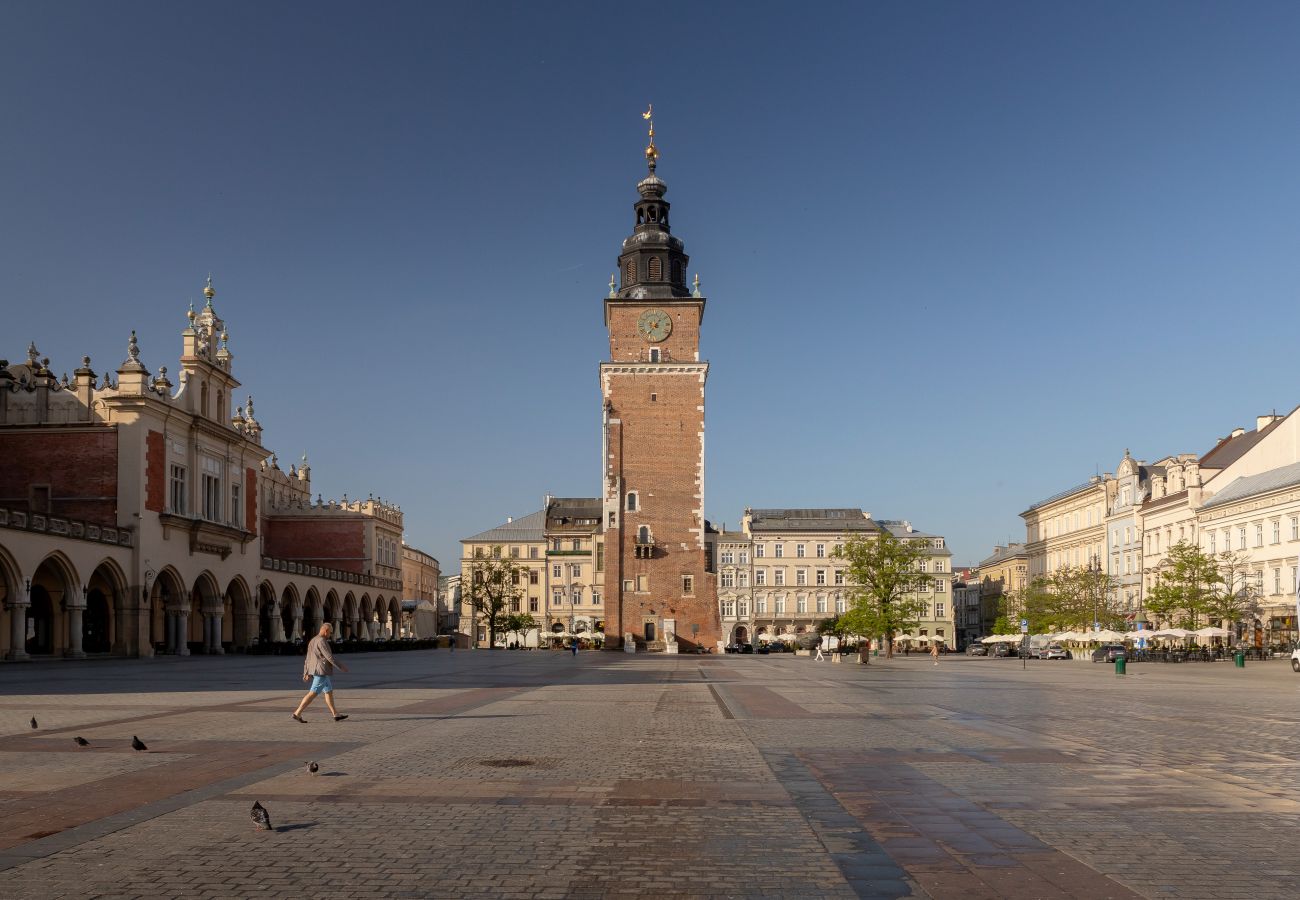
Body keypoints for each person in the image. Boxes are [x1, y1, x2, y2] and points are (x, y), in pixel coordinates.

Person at [292, 623, 349, 723]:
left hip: (317, 671)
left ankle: (335, 714)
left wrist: (306, 672)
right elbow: (329, 657)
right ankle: (297, 713)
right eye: (330, 633)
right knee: (313, 693)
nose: (330, 635)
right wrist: (341, 666)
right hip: (321, 671)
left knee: (328, 691)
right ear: (326, 630)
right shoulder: (322, 641)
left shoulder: (313, 640)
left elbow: (308, 658)